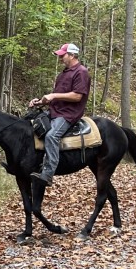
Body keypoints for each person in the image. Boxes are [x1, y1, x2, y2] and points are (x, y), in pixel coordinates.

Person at [29, 42, 91, 186]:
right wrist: (39, 102)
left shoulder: (81, 72)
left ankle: (48, 174)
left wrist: (54, 96)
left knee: (51, 136)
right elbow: (55, 96)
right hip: (54, 111)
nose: (61, 58)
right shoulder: (63, 73)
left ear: (72, 55)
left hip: (68, 114)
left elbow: (77, 96)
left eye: (63, 55)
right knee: (31, 125)